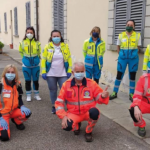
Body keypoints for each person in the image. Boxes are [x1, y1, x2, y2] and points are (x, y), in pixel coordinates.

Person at [55, 62, 109, 142]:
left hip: (87, 112)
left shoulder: (91, 84)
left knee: (95, 113)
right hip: (73, 113)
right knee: (67, 127)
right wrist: (63, 116)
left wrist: (103, 96)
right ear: (73, 72)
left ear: (84, 71)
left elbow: (99, 98)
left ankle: (88, 131)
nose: (80, 74)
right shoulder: (66, 85)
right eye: (77, 72)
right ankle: (77, 124)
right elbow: (59, 102)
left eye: (82, 71)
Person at [41, 30, 72, 114]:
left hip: (62, 73)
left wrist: (69, 70)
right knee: (53, 90)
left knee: (65, 90)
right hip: (51, 73)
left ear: (61, 37)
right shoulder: (47, 47)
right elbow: (43, 60)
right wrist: (43, 71)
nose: (56, 38)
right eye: (54, 36)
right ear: (51, 37)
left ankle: (69, 107)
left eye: (57, 36)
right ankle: (55, 106)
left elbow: (69, 58)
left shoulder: (65, 46)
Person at [109, 20, 141, 101]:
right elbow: (118, 46)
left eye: (131, 25)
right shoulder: (121, 35)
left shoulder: (137, 35)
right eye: (128, 24)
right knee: (119, 75)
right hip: (122, 58)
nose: (129, 26)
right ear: (126, 25)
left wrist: (133, 54)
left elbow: (138, 47)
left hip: (133, 59)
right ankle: (114, 92)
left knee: (132, 76)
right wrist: (121, 55)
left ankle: (131, 93)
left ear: (134, 27)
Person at [0, 64, 31, 141]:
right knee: (5, 137)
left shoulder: (18, 84)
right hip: (3, 114)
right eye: (8, 72)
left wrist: (22, 105)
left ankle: (16, 120)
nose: (10, 74)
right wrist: (0, 117)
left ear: (15, 73)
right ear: (5, 73)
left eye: (12, 72)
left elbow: (19, 97)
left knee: (27, 113)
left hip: (13, 111)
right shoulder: (1, 85)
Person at [19, 26, 41, 102]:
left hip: (35, 65)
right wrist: (24, 59)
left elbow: (39, 52)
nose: (29, 34)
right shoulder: (22, 42)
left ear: (34, 33)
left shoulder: (37, 43)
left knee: (35, 80)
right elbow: (21, 52)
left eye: (31, 32)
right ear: (26, 33)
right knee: (27, 80)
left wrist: (36, 59)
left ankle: (36, 94)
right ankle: (28, 95)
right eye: (28, 32)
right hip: (26, 65)